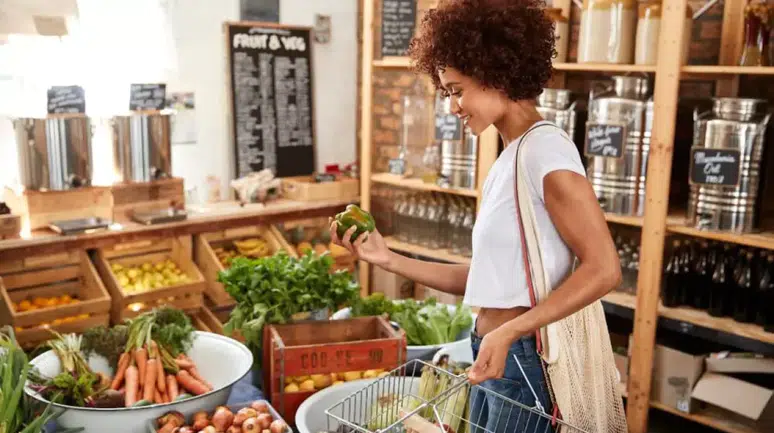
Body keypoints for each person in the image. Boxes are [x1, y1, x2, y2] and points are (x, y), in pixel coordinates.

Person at [330, 0, 622, 431]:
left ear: (495, 72)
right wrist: (387, 258)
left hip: (526, 362)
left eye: (456, 89)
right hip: (498, 353)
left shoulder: (544, 151)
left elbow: (604, 269)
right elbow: (488, 277)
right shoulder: (513, 155)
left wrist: (507, 332)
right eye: (447, 92)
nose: (452, 106)